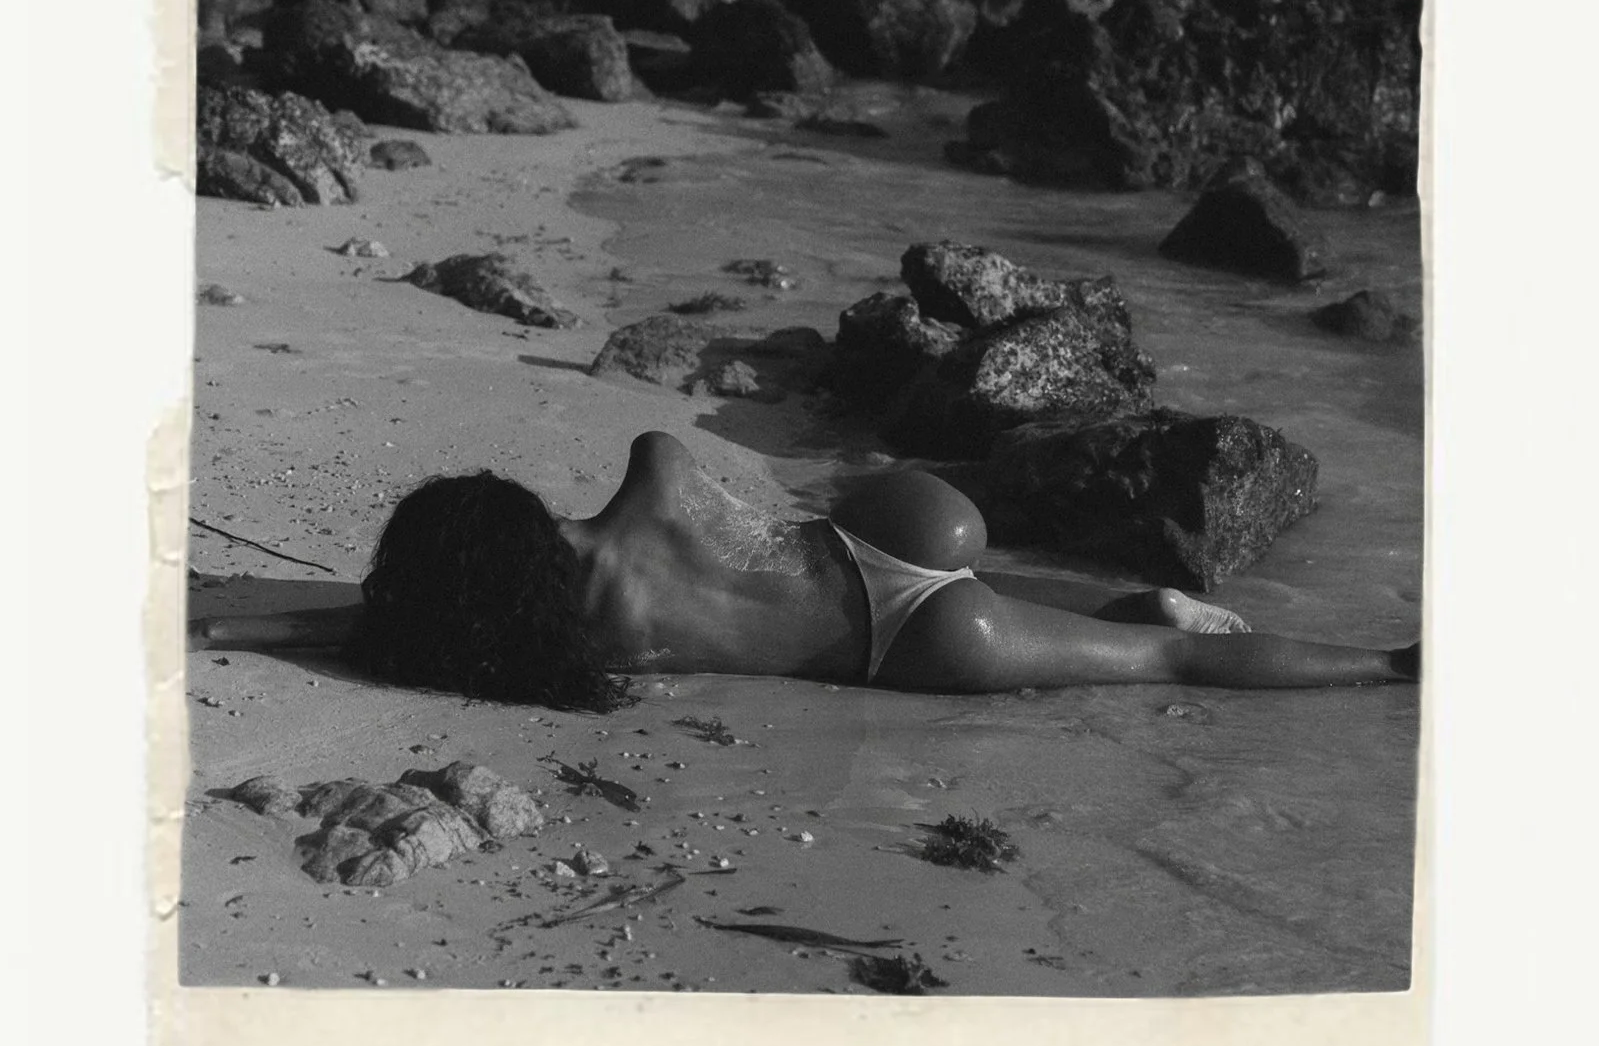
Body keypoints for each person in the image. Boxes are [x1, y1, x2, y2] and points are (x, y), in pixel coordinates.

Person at [195, 431, 1420, 709]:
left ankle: (1388, 667)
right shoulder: (653, 469)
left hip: (907, 644)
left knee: (1169, 660)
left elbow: (383, 629)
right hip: (900, 524)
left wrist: (251, 632)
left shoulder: (589, 642)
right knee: (1159, 644)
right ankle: (1387, 657)